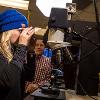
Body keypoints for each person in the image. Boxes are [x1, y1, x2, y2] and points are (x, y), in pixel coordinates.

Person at [0, 9, 35, 100]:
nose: (23, 34)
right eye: (20, 30)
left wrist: (30, 50)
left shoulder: (14, 50)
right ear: (7, 31)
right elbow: (9, 81)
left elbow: (29, 76)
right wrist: (22, 46)